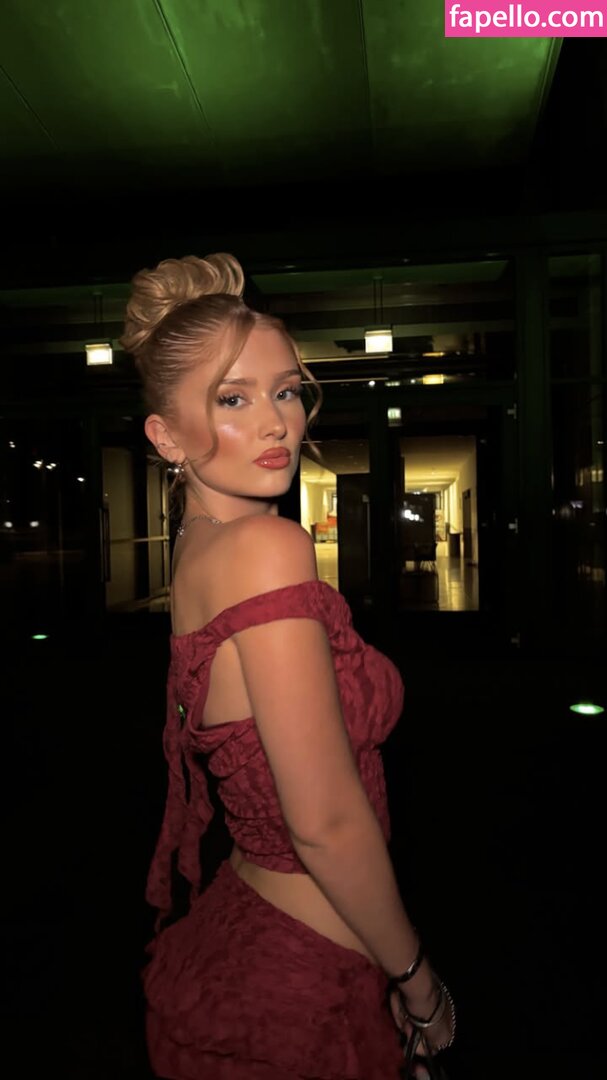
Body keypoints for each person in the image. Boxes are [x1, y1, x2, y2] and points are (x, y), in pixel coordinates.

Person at [120, 253, 455, 1079]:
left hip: (249, 921)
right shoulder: (266, 548)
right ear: (165, 436)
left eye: (286, 391)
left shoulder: (198, 546)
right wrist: (417, 983)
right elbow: (324, 823)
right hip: (304, 984)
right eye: (232, 399)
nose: (276, 423)